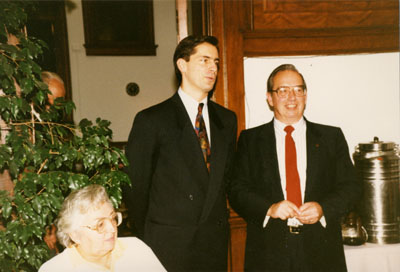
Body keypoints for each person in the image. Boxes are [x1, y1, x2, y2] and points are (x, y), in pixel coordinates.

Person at [227, 64, 361, 271]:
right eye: (283, 91)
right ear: (270, 98)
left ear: (305, 96)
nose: (292, 97)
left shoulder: (331, 138)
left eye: (298, 90)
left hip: (322, 250)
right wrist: (269, 208)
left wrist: (323, 208)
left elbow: (351, 187)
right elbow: (236, 189)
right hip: (268, 252)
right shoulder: (250, 140)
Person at [124, 35, 237, 271]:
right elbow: (136, 186)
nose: (213, 68)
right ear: (182, 65)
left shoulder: (226, 120)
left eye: (216, 62)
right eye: (204, 60)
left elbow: (226, 180)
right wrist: (150, 235)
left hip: (213, 244)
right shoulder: (152, 120)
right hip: (168, 244)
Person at [39, 184, 165, 272]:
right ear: (75, 235)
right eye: (100, 224)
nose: (112, 229)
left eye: (113, 218)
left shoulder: (136, 248)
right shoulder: (55, 269)